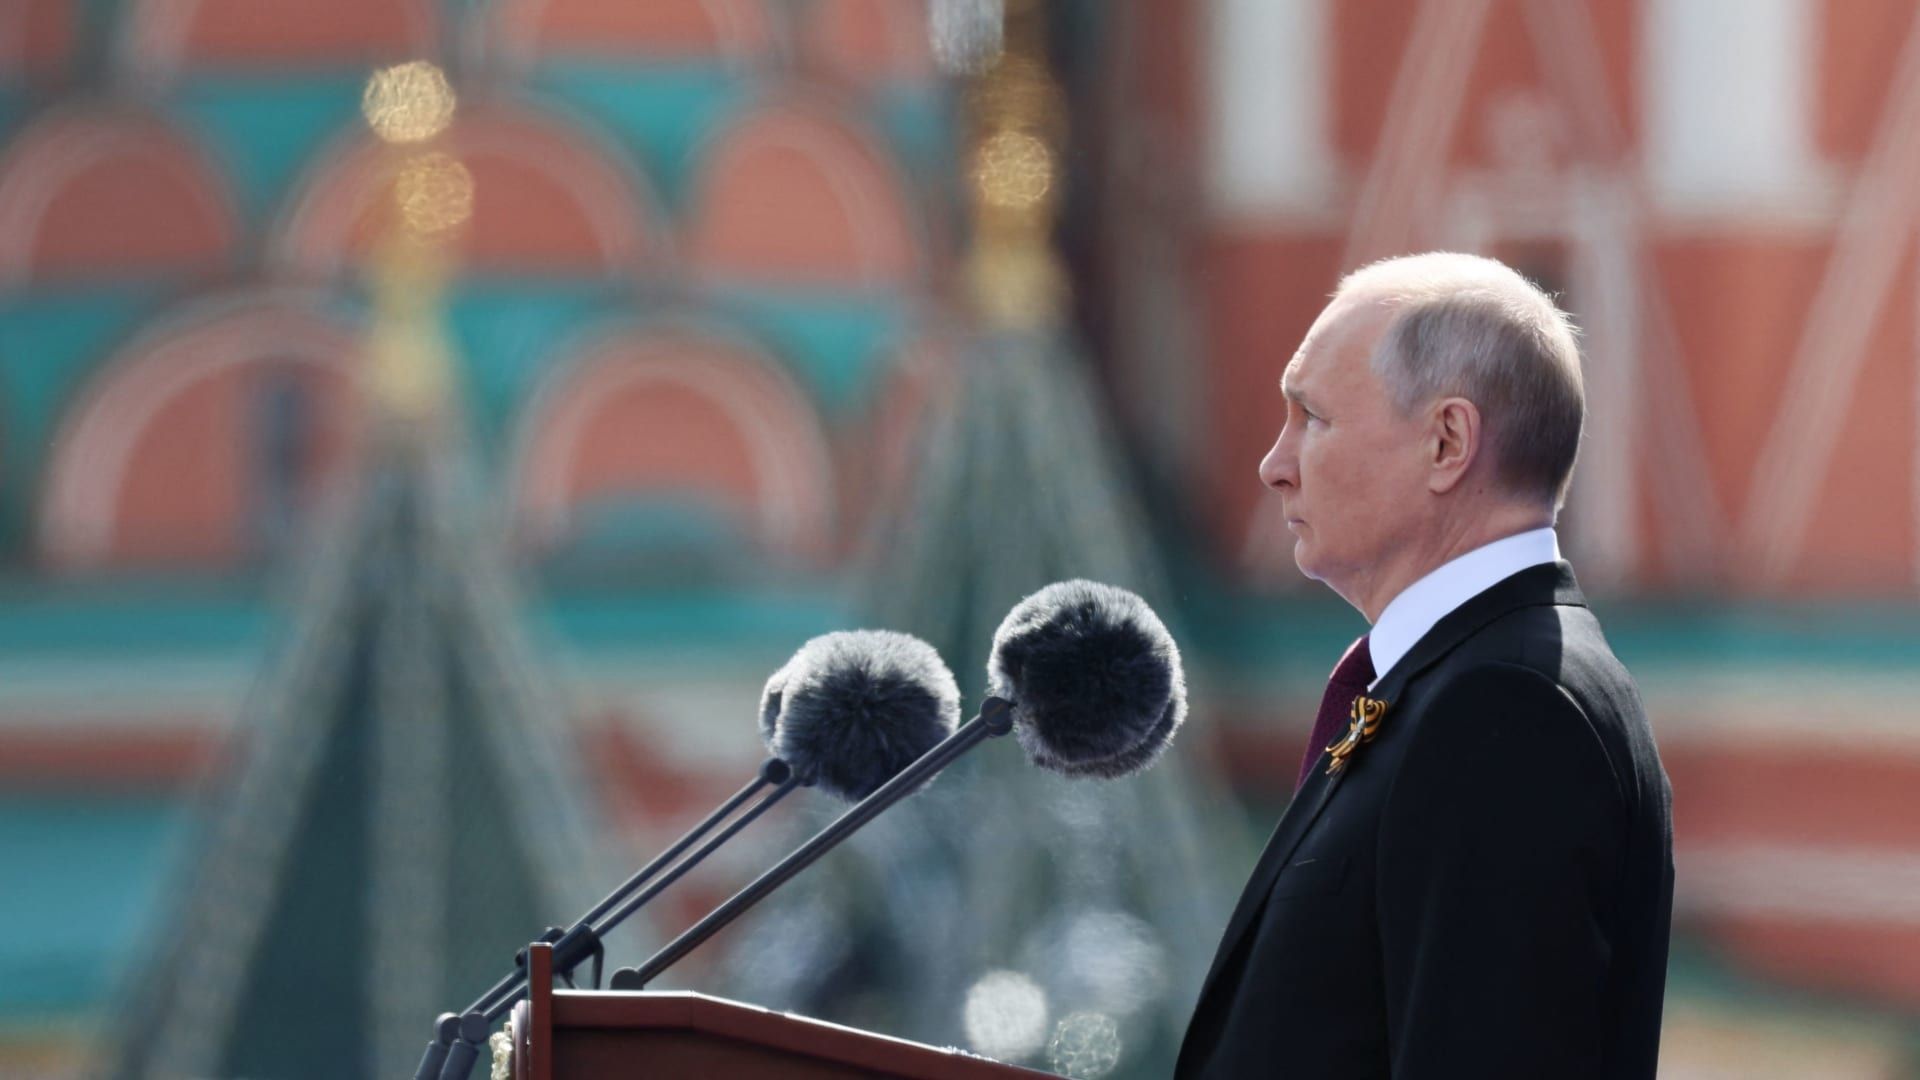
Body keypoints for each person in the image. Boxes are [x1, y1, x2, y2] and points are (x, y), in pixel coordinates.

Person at [1176, 253, 1674, 1078]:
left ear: (1447, 442)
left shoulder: (1507, 711)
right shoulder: (1457, 686)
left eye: (1313, 419)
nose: (1275, 463)